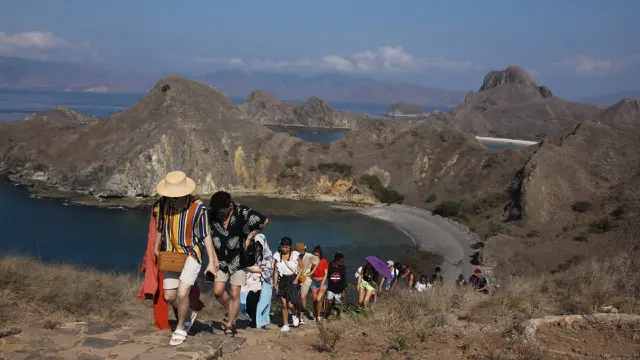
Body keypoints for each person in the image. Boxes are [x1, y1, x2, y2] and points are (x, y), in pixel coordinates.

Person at [153, 171, 216, 346]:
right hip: (171, 254)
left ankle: (181, 327)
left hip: (192, 253)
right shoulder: (162, 205)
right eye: (170, 196)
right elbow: (160, 227)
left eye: (176, 197)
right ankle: (188, 314)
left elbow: (205, 235)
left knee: (182, 293)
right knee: (169, 296)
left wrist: (211, 261)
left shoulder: (198, 208)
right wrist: (155, 247)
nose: (172, 199)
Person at [208, 191, 268, 336]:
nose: (219, 213)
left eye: (222, 210)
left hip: (239, 259)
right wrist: (213, 259)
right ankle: (232, 311)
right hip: (220, 260)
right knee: (218, 291)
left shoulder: (242, 211)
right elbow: (207, 237)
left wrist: (250, 237)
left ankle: (230, 324)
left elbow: (264, 221)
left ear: (229, 206)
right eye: (217, 210)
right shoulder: (211, 214)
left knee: (235, 293)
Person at [240, 233, 274, 329]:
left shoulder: (268, 255)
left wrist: (253, 269)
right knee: (246, 301)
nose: (258, 247)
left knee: (256, 302)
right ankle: (254, 319)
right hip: (249, 279)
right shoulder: (251, 252)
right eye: (256, 244)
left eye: (260, 244)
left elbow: (269, 270)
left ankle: (256, 321)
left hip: (263, 282)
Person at [273, 237, 302, 332]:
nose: (284, 249)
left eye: (286, 247)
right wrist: (275, 284)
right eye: (283, 247)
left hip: (293, 279)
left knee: (290, 304)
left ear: (290, 247)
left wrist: (297, 279)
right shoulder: (277, 256)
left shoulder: (295, 255)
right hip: (282, 280)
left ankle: (294, 314)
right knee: (284, 304)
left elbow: (301, 267)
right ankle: (285, 324)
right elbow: (276, 272)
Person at [295, 242, 320, 323]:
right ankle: (296, 314)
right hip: (296, 278)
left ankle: (301, 317)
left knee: (303, 297)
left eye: (302, 252)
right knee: (295, 298)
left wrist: (312, 272)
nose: (301, 255)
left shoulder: (309, 255)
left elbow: (318, 261)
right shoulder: (294, 256)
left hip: (306, 278)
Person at [325, 252, 347, 319]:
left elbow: (344, 279)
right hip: (330, 288)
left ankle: (338, 315)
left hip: (339, 289)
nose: (342, 262)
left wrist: (344, 289)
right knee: (329, 302)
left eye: (343, 261)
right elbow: (327, 276)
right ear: (336, 260)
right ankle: (328, 314)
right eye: (340, 261)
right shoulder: (330, 266)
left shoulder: (342, 268)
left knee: (338, 303)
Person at [310, 246, 329, 322]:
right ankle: (316, 314)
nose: (316, 256)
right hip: (314, 282)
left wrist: (321, 284)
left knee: (318, 299)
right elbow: (310, 272)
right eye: (314, 255)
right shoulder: (312, 262)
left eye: (317, 255)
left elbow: (326, 274)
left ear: (320, 255)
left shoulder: (324, 261)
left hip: (323, 282)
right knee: (315, 300)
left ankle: (318, 316)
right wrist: (312, 278)